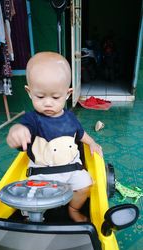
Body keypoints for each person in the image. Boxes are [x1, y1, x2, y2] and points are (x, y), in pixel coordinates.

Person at [7, 52, 103, 222]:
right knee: (32, 200)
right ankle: (35, 218)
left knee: (85, 186)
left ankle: (73, 209)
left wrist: (93, 143)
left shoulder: (71, 117)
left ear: (68, 93)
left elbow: (80, 134)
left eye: (56, 97)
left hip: (71, 169)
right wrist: (16, 132)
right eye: (40, 96)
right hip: (42, 174)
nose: (48, 102)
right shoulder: (32, 119)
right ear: (29, 92)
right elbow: (21, 129)